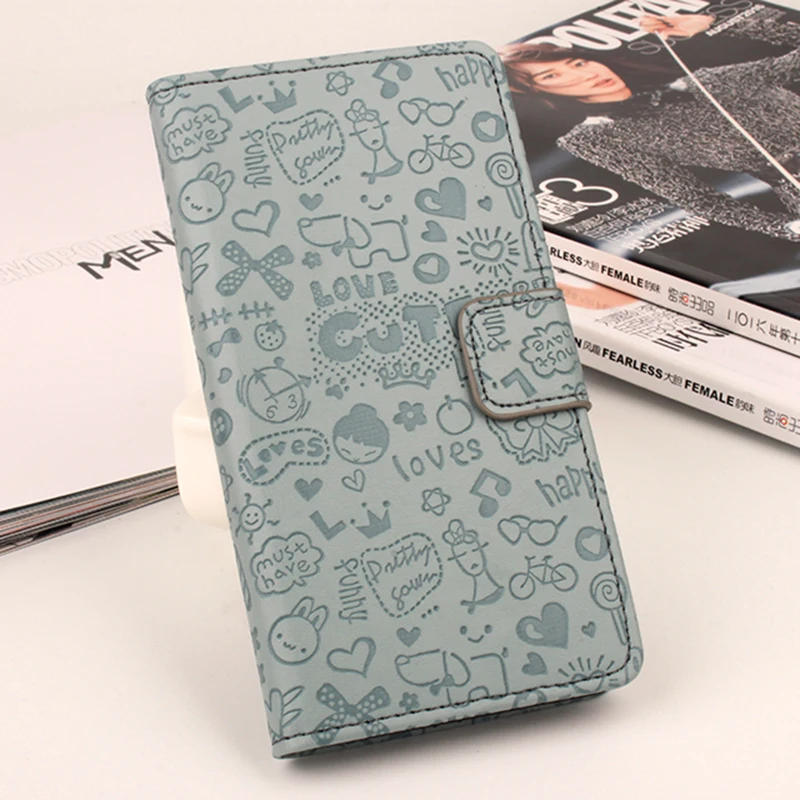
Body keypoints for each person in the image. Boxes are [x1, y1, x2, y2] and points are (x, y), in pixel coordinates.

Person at [501, 13, 800, 243]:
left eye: (578, 63)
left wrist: (715, 23)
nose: (586, 74)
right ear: (538, 93)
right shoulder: (594, 136)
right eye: (551, 76)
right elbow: (699, 200)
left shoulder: (708, 80)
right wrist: (785, 227)